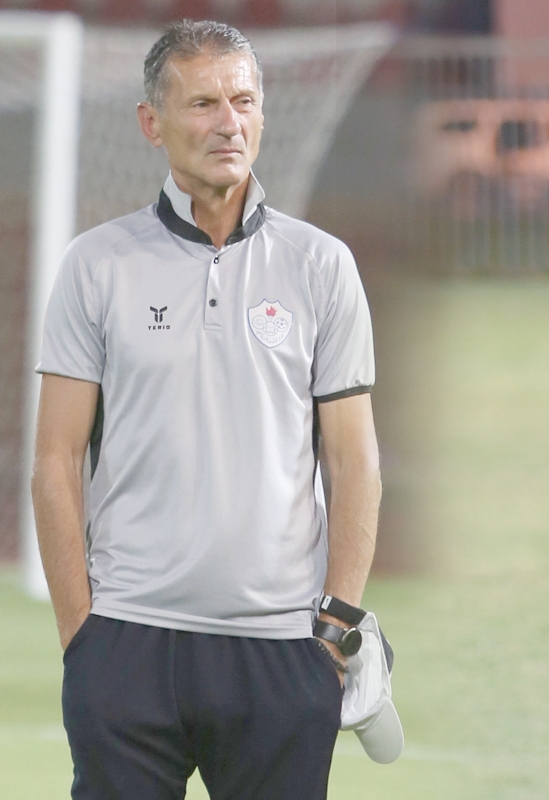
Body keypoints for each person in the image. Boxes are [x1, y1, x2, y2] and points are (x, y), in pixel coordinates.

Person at [31, 20, 382, 799]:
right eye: (202, 104)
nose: (229, 123)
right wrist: (82, 639)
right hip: (127, 643)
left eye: (243, 101)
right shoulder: (96, 265)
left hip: (281, 651)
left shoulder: (322, 265)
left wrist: (335, 630)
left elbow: (354, 459)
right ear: (151, 123)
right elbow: (54, 459)